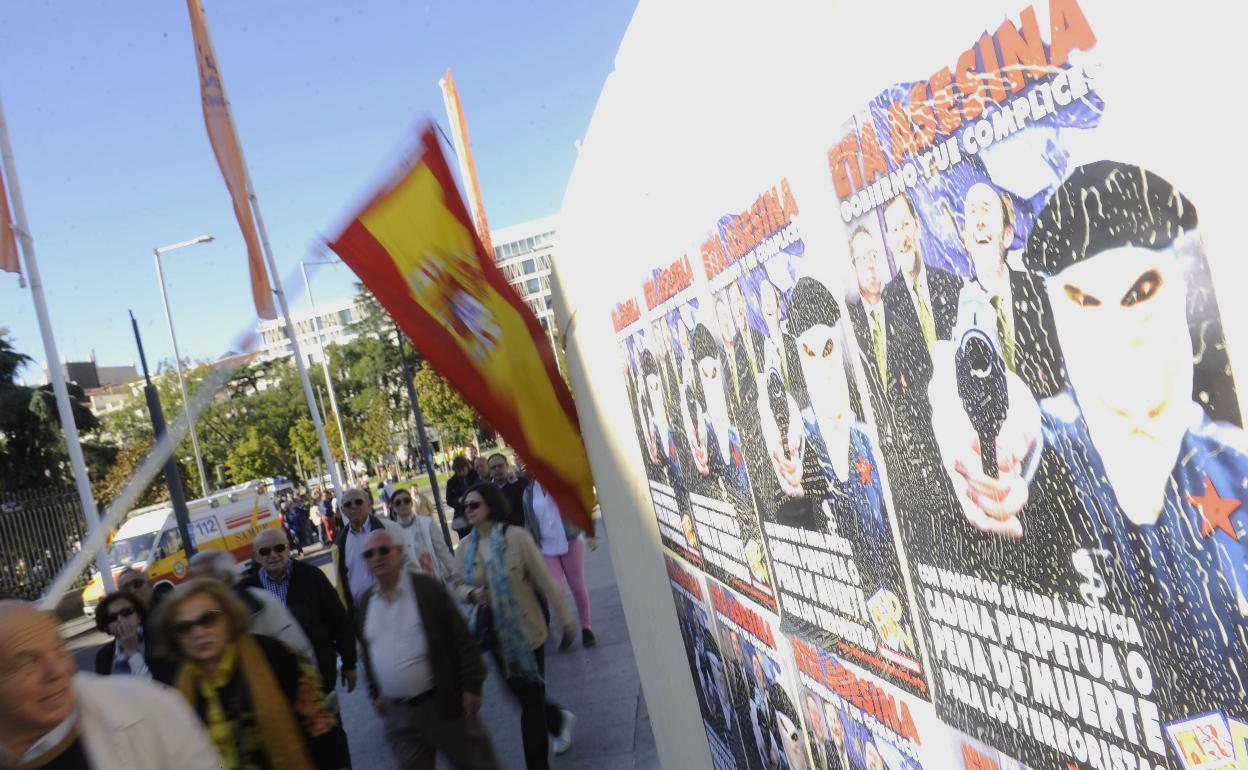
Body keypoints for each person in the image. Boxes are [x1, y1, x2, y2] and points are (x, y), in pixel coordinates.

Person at [0, 600, 224, 770]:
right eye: (28, 662)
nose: (58, 671)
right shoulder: (105, 657)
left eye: (59, 648)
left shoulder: (149, 707)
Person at [453, 483, 577, 769]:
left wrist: (566, 621)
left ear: (491, 506)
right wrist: (472, 594)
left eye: (474, 505)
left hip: (528, 633)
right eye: (465, 506)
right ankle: (558, 720)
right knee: (520, 697)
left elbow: (545, 582)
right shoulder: (465, 548)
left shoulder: (517, 538)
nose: (468, 511)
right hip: (494, 635)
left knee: (530, 707)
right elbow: (457, 583)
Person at [157, 579, 343, 770]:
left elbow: (321, 728)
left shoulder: (275, 655)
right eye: (183, 628)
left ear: (228, 618)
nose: (197, 632)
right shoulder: (175, 689)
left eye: (208, 619)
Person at [357, 530, 502, 770]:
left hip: (443, 705)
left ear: (399, 554)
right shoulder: (365, 603)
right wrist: (374, 692)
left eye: (384, 550)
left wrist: (472, 686)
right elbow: (369, 651)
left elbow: (461, 638)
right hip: (400, 717)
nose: (377, 557)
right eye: (369, 554)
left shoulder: (426, 589)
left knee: (479, 764)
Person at [955, 180, 1064, 399]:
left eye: (986, 209)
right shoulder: (958, 309)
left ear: (1007, 235)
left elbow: (1058, 373)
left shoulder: (1038, 292)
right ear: (966, 239)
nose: (979, 221)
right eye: (972, 212)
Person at [187, 549, 315, 662]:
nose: (197, 589)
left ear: (225, 578)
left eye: (203, 582)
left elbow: (299, 652)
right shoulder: (196, 620)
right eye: (194, 583)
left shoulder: (263, 603)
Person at [521, 477, 598, 647]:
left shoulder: (562, 484)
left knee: (577, 586)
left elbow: (581, 508)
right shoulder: (528, 492)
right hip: (546, 546)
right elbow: (528, 522)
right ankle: (566, 627)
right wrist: (529, 548)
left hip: (570, 539)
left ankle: (587, 628)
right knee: (556, 589)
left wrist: (589, 533)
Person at [333, 486, 405, 618]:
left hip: (397, 607)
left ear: (368, 504)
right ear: (343, 510)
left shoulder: (391, 529)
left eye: (358, 502)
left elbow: (410, 566)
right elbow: (342, 584)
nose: (354, 506)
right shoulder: (339, 544)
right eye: (348, 504)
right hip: (362, 616)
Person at [93, 590, 157, 679]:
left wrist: (132, 652)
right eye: (112, 617)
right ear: (107, 628)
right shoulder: (103, 656)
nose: (120, 619)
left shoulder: (159, 640)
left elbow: (156, 689)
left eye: (126, 612)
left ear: (138, 616)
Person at [393, 490, 455, 581]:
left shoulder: (427, 523)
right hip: (409, 584)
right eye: (398, 502)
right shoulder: (391, 531)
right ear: (393, 507)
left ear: (411, 503)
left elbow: (443, 552)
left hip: (434, 581)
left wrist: (457, 576)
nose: (403, 504)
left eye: (406, 500)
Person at [486, 453, 529, 528]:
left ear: (507, 466)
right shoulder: (486, 489)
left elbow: (528, 504)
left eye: (500, 466)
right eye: (493, 467)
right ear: (489, 470)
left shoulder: (521, 482)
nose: (497, 469)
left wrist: (515, 484)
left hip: (521, 529)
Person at [446, 455, 480, 538]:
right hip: (462, 516)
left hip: (478, 512)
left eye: (463, 470)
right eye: (458, 471)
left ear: (467, 466)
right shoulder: (451, 482)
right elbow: (449, 500)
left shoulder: (475, 475)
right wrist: (458, 501)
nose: (461, 473)